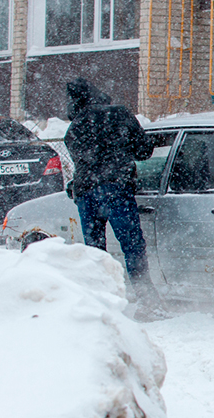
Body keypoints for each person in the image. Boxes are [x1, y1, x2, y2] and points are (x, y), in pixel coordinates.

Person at [63, 78, 165, 321]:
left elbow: (81, 160)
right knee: (132, 246)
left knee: (95, 251)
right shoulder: (118, 114)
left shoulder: (74, 127)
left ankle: (100, 304)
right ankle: (148, 301)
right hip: (115, 189)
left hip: (86, 193)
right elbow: (143, 151)